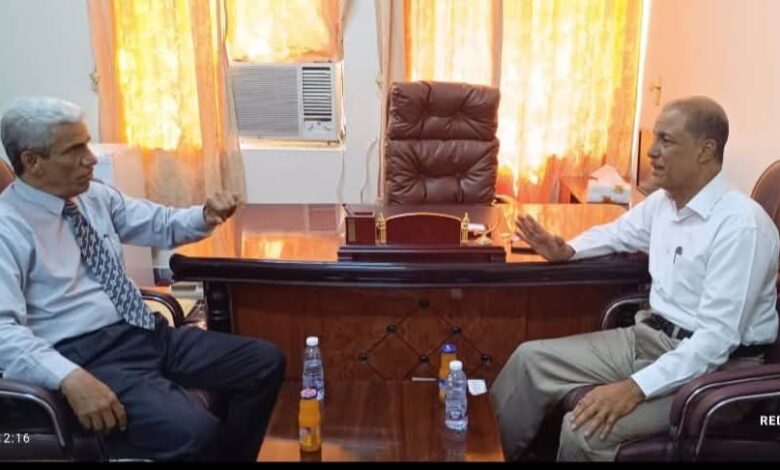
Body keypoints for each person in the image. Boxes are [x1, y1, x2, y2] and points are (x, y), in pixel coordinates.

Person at [490, 96, 779, 461]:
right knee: (528, 362)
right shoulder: (665, 202)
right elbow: (617, 233)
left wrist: (634, 388)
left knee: (584, 430)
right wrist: (568, 250)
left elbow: (714, 341)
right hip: (648, 338)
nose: (652, 152)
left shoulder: (741, 226)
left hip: (714, 370)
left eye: (666, 141)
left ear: (705, 150)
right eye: (655, 138)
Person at [0, 97, 285, 461]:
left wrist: (204, 215)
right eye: (74, 150)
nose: (91, 158)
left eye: (87, 144)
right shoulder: (8, 227)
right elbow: (3, 331)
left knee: (263, 362)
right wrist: (69, 377)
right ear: (32, 161)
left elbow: (159, 224)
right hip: (86, 355)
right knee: (195, 431)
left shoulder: (92, 196)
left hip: (144, 330)